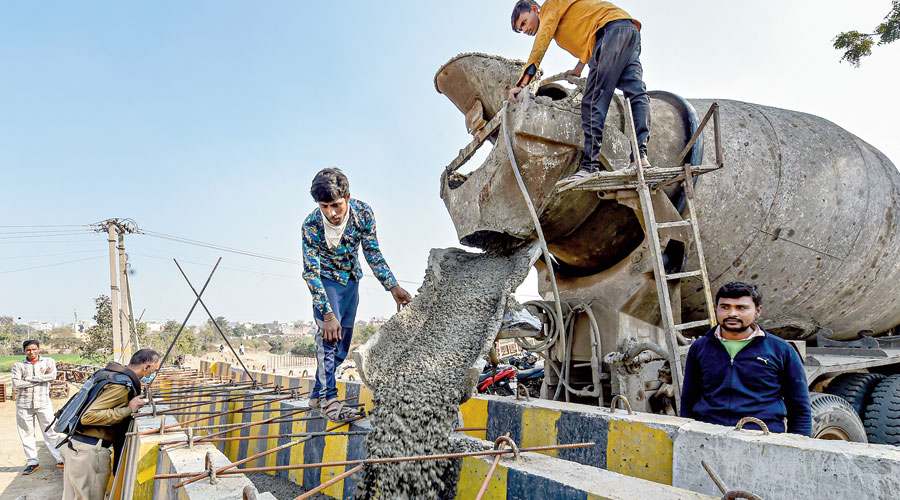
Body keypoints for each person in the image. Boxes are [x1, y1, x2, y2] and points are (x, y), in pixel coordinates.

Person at [302, 168, 412, 422]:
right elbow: (310, 272)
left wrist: (393, 286)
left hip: (351, 280)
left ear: (348, 198)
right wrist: (327, 314)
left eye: (336, 205)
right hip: (326, 282)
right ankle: (330, 401)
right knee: (328, 339)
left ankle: (317, 396)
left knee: (342, 347)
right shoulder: (311, 225)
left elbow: (372, 252)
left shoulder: (363, 214)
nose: (331, 212)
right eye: (325, 206)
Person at [508, 0, 651, 182]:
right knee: (636, 94)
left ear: (535, 10)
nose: (525, 30)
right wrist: (578, 68)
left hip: (610, 33)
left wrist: (522, 85)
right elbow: (589, 36)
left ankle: (589, 167)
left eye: (524, 22)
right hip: (627, 29)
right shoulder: (563, 13)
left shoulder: (549, 7)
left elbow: (539, 47)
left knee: (592, 101)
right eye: (521, 29)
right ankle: (640, 157)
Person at [680, 282, 812, 436]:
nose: (732, 314)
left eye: (741, 308)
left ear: (757, 311)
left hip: (763, 439)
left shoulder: (780, 350)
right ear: (716, 308)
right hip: (709, 436)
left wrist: (797, 446)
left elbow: (800, 408)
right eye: (725, 307)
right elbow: (689, 400)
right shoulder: (700, 348)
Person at [61, 349, 160, 500]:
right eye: (155, 370)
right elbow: (88, 417)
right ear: (146, 367)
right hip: (90, 453)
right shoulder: (120, 384)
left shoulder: (109, 375)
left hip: (77, 446)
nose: (154, 374)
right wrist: (129, 409)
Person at [12, 340, 64, 474]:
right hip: (24, 404)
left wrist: (29, 378)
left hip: (43, 404)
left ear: (39, 349)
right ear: (24, 351)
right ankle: (32, 462)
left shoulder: (48, 362)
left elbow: (52, 376)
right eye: (28, 350)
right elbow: (17, 384)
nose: (32, 352)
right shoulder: (18, 365)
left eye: (34, 349)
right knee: (26, 434)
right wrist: (41, 379)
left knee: (50, 431)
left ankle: (60, 459)